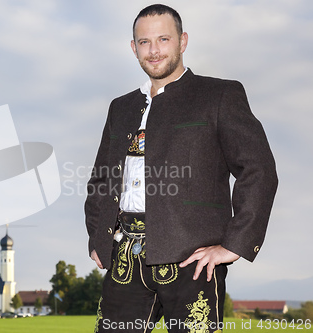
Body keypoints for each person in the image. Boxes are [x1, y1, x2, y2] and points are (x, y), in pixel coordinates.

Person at [85, 4, 278, 333]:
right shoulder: (121, 107)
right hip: (124, 260)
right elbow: (101, 179)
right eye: (144, 42)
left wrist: (234, 244)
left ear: (182, 41)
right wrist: (97, 237)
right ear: (134, 48)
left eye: (164, 39)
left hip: (192, 262)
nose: (154, 50)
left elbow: (258, 169)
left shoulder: (218, 95)